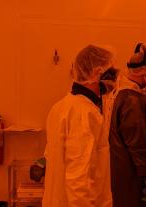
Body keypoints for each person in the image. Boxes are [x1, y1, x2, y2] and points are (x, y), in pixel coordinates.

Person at [43, 45, 118, 207]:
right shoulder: (84, 113)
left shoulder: (61, 106)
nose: (114, 79)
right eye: (110, 73)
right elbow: (79, 179)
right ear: (95, 72)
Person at [109, 43, 146, 207]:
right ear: (142, 73)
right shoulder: (132, 101)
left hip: (127, 172)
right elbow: (138, 143)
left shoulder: (132, 95)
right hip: (132, 176)